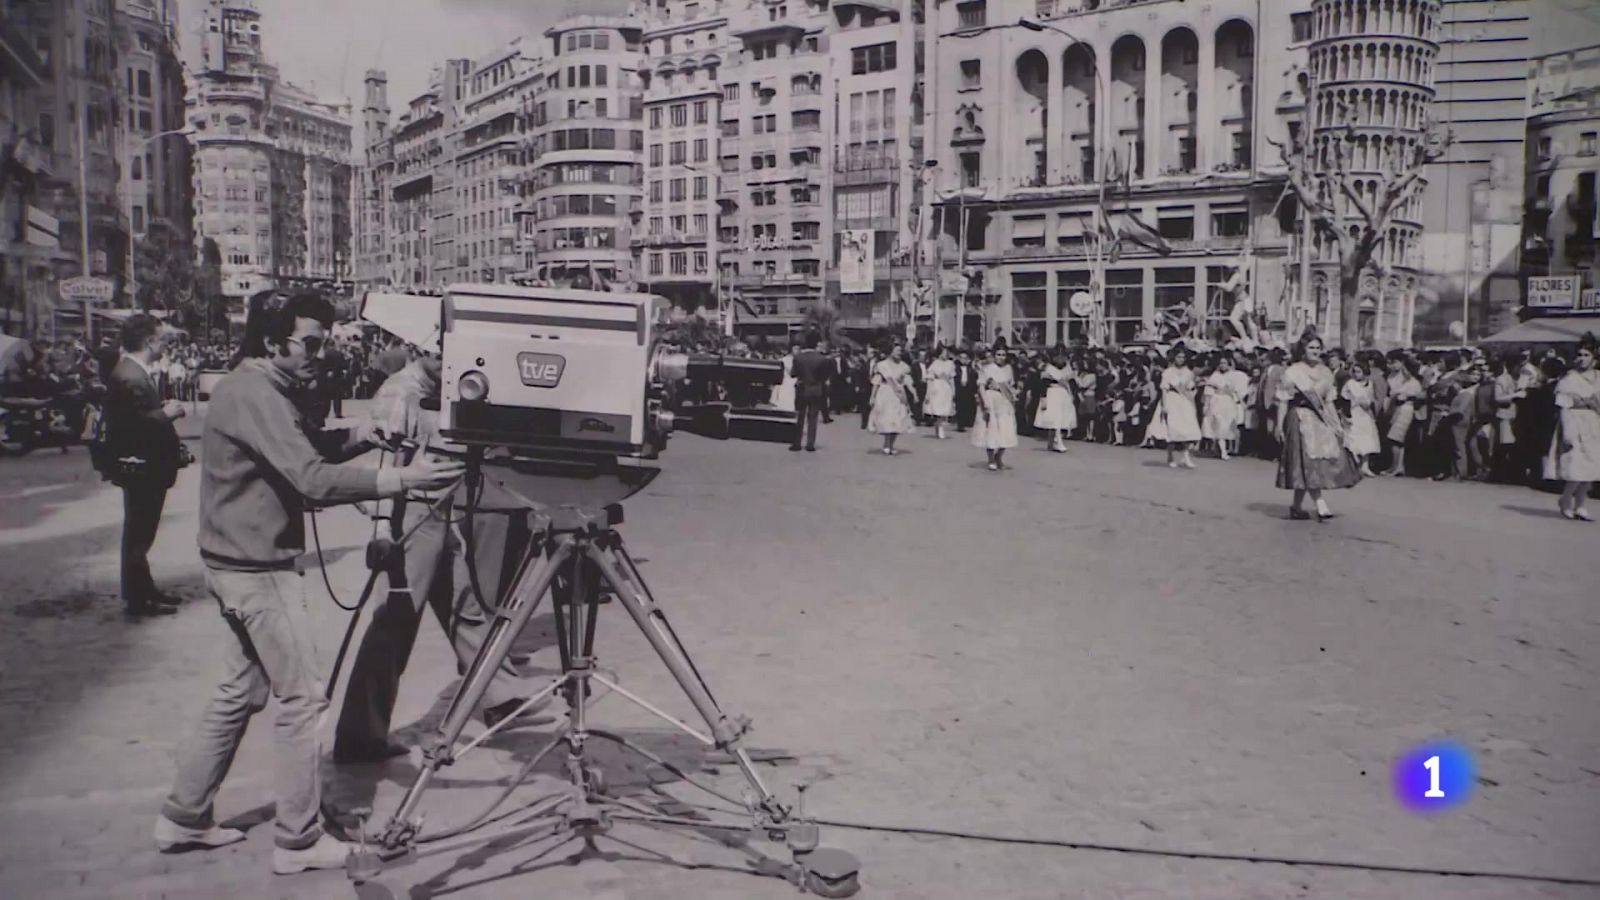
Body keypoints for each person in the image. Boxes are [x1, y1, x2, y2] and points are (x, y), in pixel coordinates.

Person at [155, 290, 463, 874]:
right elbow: (312, 479)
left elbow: (308, 449)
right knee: (302, 699)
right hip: (257, 568)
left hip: (234, 560)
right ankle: (298, 840)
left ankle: (183, 815)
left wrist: (365, 437)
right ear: (273, 342)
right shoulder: (255, 393)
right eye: (311, 344)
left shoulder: (263, 389)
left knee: (238, 694)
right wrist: (404, 479)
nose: (321, 354)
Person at [334, 346, 549, 765]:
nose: (447, 363)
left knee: (465, 605)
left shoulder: (447, 386)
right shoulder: (401, 392)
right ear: (417, 352)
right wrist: (381, 529)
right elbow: (383, 462)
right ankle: (359, 734)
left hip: (441, 509)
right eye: (438, 356)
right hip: (410, 513)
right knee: (395, 622)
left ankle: (499, 695)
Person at [105, 315, 188, 617]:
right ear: (150, 341)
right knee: (140, 534)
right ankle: (140, 599)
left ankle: (143, 590)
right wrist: (167, 414)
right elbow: (133, 424)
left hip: (143, 466)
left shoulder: (131, 371)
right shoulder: (130, 375)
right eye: (163, 340)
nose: (165, 346)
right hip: (143, 466)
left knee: (140, 533)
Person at [1275, 333, 1362, 521]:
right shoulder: (1293, 372)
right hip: (1299, 418)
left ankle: (1296, 506)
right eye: (1311, 347)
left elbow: (1329, 401)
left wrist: (1336, 425)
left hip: (1319, 419)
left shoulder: (1326, 372)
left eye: (1317, 348)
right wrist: (1279, 426)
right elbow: (1283, 401)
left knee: (1316, 462)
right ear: (1303, 350)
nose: (1315, 351)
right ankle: (1320, 504)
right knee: (1306, 462)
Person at [1547, 343, 1600, 521]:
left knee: (1590, 468)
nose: (1582, 358)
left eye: (1586, 355)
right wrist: (1567, 432)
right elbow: (1563, 406)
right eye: (1579, 355)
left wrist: (1592, 403)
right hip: (1574, 424)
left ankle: (1581, 505)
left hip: (1593, 424)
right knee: (1576, 467)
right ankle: (1566, 498)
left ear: (1594, 358)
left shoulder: (1598, 378)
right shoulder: (1568, 379)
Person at [1150, 345, 1202, 469]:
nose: (1181, 359)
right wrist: (1164, 405)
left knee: (1186, 430)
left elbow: (1190, 388)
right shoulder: (1168, 372)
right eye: (1178, 357)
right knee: (1172, 430)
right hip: (1172, 400)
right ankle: (1170, 456)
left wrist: (1192, 394)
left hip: (1184, 401)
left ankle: (1186, 457)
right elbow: (1163, 389)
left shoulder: (1188, 373)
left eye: (1183, 357)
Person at [974, 345, 1018, 471]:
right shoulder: (987, 369)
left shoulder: (1009, 369)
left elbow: (1010, 386)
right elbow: (981, 386)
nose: (1001, 357)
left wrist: (1013, 396)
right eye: (998, 354)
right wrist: (985, 404)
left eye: (1003, 355)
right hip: (991, 399)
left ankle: (999, 456)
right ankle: (991, 459)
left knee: (1006, 428)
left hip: (1004, 402)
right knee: (991, 428)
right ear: (994, 355)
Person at [789, 331, 834, 452]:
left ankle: (797, 443)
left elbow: (793, 374)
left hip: (802, 388)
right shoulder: (822, 359)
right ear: (816, 344)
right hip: (816, 389)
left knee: (799, 417)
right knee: (813, 418)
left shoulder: (798, 358)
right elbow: (824, 377)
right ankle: (810, 444)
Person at [868, 343, 916, 455]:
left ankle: (892, 444)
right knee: (887, 418)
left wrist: (914, 393)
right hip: (885, 393)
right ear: (890, 351)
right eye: (896, 350)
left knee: (897, 419)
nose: (899, 353)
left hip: (898, 395)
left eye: (900, 351)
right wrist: (872, 397)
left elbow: (908, 382)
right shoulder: (882, 365)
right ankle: (886, 443)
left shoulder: (904, 366)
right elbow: (876, 382)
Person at [1382, 356, 1423, 477]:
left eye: (1405, 369)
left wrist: (1401, 396)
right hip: (1396, 409)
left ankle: (1396, 466)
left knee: (1394, 438)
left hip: (1405, 410)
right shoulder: (1401, 381)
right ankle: (1397, 466)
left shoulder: (1414, 383)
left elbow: (1412, 396)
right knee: (1398, 440)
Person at [1202, 353, 1248, 460]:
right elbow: (1208, 391)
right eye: (1221, 363)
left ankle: (1221, 449)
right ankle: (1222, 451)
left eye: (1225, 363)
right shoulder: (1215, 375)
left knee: (1226, 426)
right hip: (1216, 401)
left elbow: (1237, 391)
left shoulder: (1234, 375)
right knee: (1219, 424)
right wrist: (1206, 405)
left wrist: (1241, 403)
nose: (1222, 365)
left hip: (1228, 403)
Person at [1341, 361, 1382, 477]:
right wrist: (1347, 415)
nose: (1356, 374)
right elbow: (1346, 399)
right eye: (1354, 372)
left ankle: (1365, 466)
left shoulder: (1370, 383)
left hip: (1366, 415)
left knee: (1367, 440)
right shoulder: (1350, 383)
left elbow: (1371, 398)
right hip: (1354, 413)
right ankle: (1354, 465)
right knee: (1354, 439)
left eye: (1359, 372)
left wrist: (1370, 407)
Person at [1033, 346, 1076, 453]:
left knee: (1061, 418)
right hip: (1053, 393)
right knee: (1054, 418)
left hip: (1063, 394)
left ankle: (1051, 442)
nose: (1060, 358)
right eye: (1057, 355)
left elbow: (1070, 382)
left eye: (1062, 355)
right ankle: (1057, 441)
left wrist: (1071, 393)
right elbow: (1043, 384)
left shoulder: (1067, 368)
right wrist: (1043, 398)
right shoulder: (1049, 368)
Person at [923, 345, 957, 439]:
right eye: (943, 352)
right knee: (938, 408)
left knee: (944, 408)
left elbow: (951, 378)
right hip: (937, 387)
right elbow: (930, 378)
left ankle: (940, 425)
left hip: (946, 387)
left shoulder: (950, 364)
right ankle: (939, 426)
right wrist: (928, 392)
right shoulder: (935, 363)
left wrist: (953, 390)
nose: (945, 354)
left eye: (946, 353)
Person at [953, 349, 978, 432]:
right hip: (959, 389)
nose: (963, 360)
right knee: (959, 407)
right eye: (962, 358)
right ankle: (960, 424)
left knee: (967, 406)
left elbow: (974, 380)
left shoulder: (970, 369)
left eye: (965, 358)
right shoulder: (956, 368)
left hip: (968, 389)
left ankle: (967, 422)